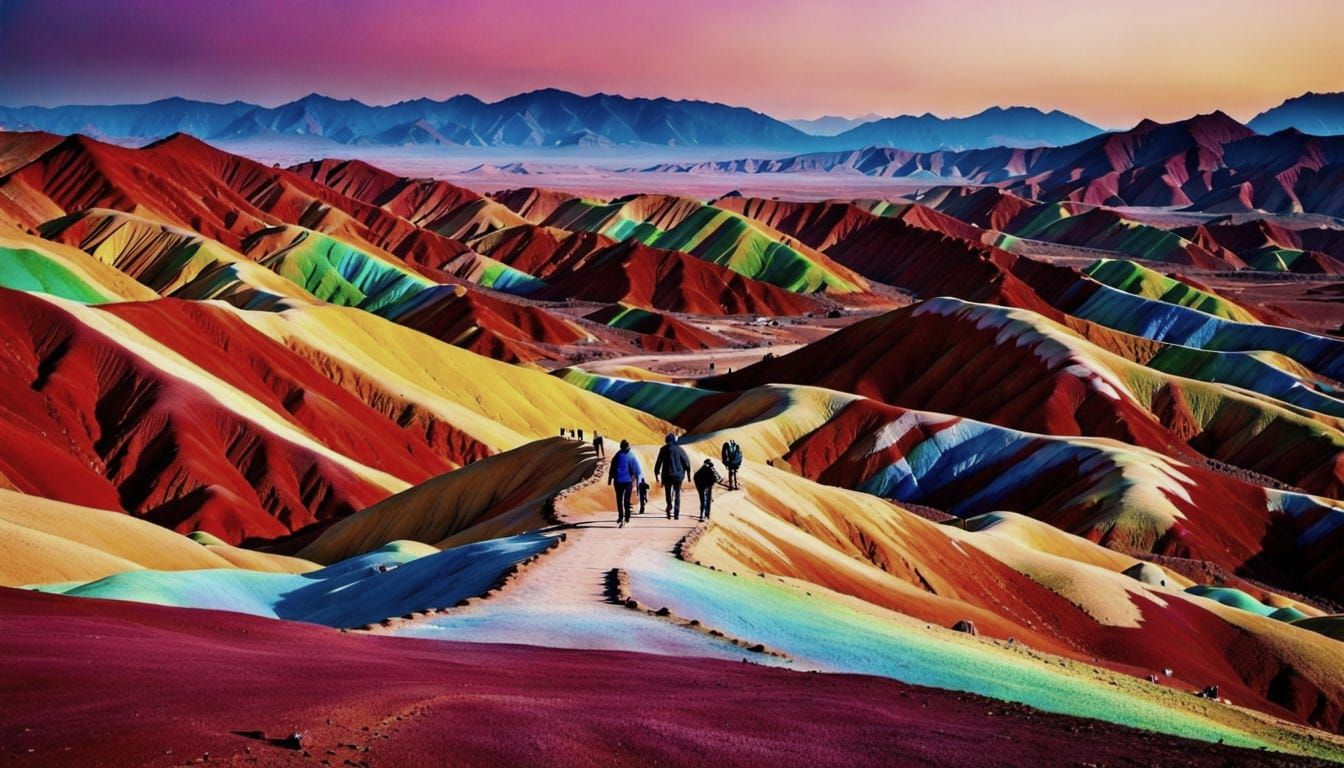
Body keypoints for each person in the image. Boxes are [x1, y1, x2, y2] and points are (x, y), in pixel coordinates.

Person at [653, 433, 692, 520]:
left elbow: (658, 463)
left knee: (668, 492)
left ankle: (669, 505)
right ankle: (676, 513)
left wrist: (656, 474)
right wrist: (688, 475)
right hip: (678, 476)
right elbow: (686, 462)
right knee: (677, 494)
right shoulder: (679, 449)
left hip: (667, 476)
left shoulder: (663, 449)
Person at [606, 439, 643, 528]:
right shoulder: (631, 455)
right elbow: (637, 470)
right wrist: (639, 479)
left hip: (618, 481)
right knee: (626, 500)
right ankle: (626, 517)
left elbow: (612, 468)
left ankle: (621, 516)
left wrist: (610, 479)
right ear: (628, 447)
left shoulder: (617, 455)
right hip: (627, 481)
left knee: (619, 499)